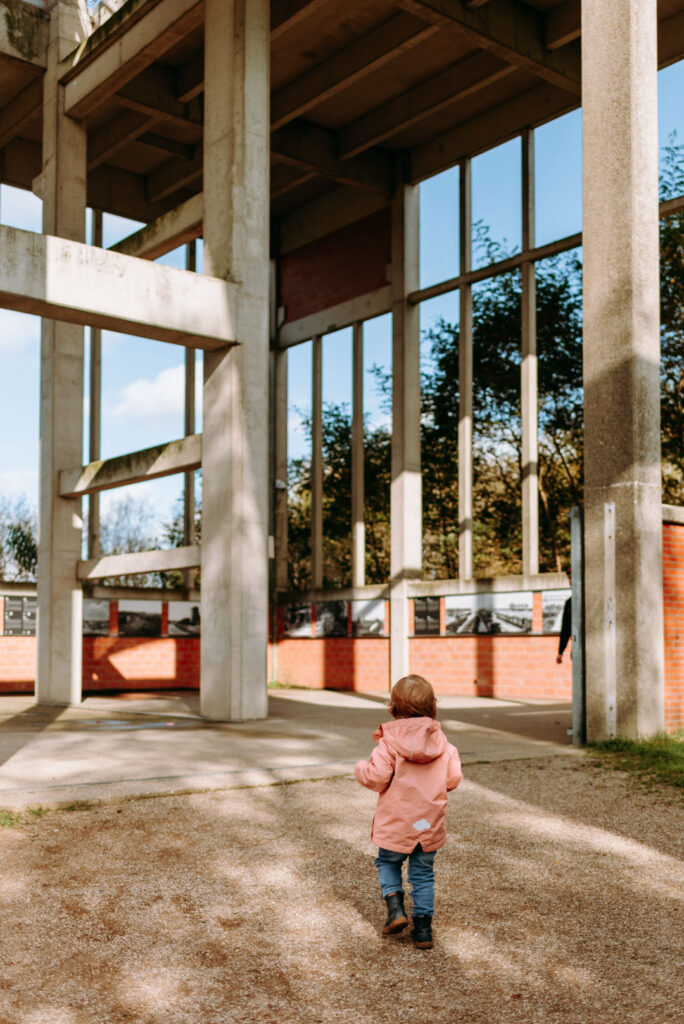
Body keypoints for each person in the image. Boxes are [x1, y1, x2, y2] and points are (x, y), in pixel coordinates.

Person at [354, 675, 463, 950]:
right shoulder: (443, 743)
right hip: (428, 822)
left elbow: (378, 777)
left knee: (388, 861)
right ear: (433, 707)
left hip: (397, 820)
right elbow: (453, 779)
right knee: (423, 873)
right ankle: (423, 929)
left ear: (393, 708)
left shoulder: (389, 742)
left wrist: (360, 769)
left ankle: (395, 910)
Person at [556, 569, 572, 664]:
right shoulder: (569, 603)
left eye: (573, 577)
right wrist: (560, 651)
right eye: (569, 578)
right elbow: (565, 629)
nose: (571, 581)